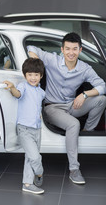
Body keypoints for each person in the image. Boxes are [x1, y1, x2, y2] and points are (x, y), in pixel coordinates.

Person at [27, 32, 106, 185]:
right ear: (62, 50)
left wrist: (84, 95)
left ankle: (87, 131)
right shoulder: (52, 60)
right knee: (73, 124)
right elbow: (32, 47)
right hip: (52, 107)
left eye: (75, 49)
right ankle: (74, 170)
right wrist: (36, 64)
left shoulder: (85, 68)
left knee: (101, 100)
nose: (71, 53)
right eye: (68, 49)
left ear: (80, 50)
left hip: (71, 105)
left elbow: (102, 86)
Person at [4, 58, 45, 194]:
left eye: (36, 75)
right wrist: (12, 88)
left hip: (37, 129)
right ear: (25, 75)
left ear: (41, 76)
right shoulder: (23, 86)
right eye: (30, 74)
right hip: (24, 128)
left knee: (30, 157)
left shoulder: (41, 92)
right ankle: (39, 173)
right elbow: (18, 95)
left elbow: (37, 105)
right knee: (35, 157)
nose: (33, 78)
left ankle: (27, 184)